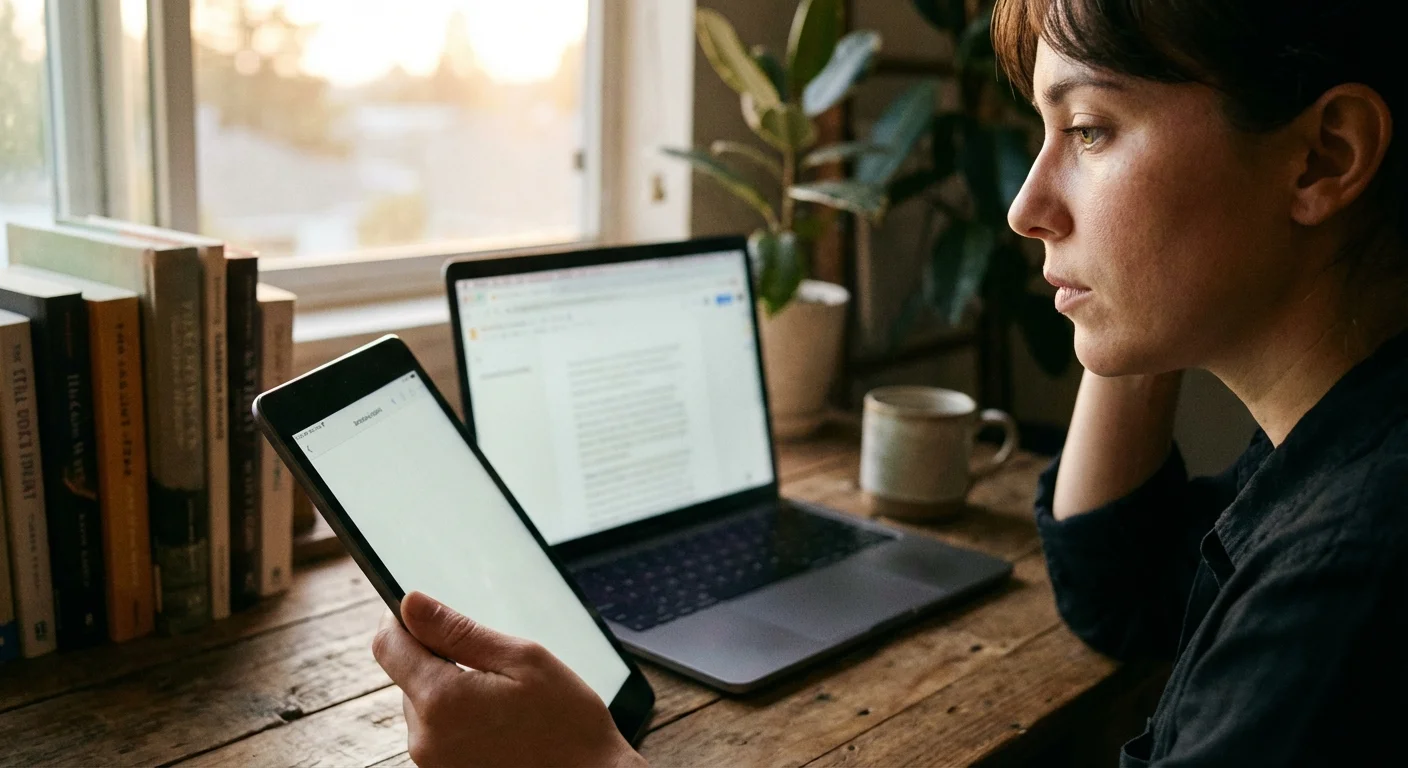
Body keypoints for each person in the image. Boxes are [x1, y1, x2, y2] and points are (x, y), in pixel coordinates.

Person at [372, 0, 1408, 764]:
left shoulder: (1356, 565)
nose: (1027, 204)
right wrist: (1124, 314)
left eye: (1087, 128)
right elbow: (1123, 590)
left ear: (1321, 156)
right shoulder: (1328, 441)